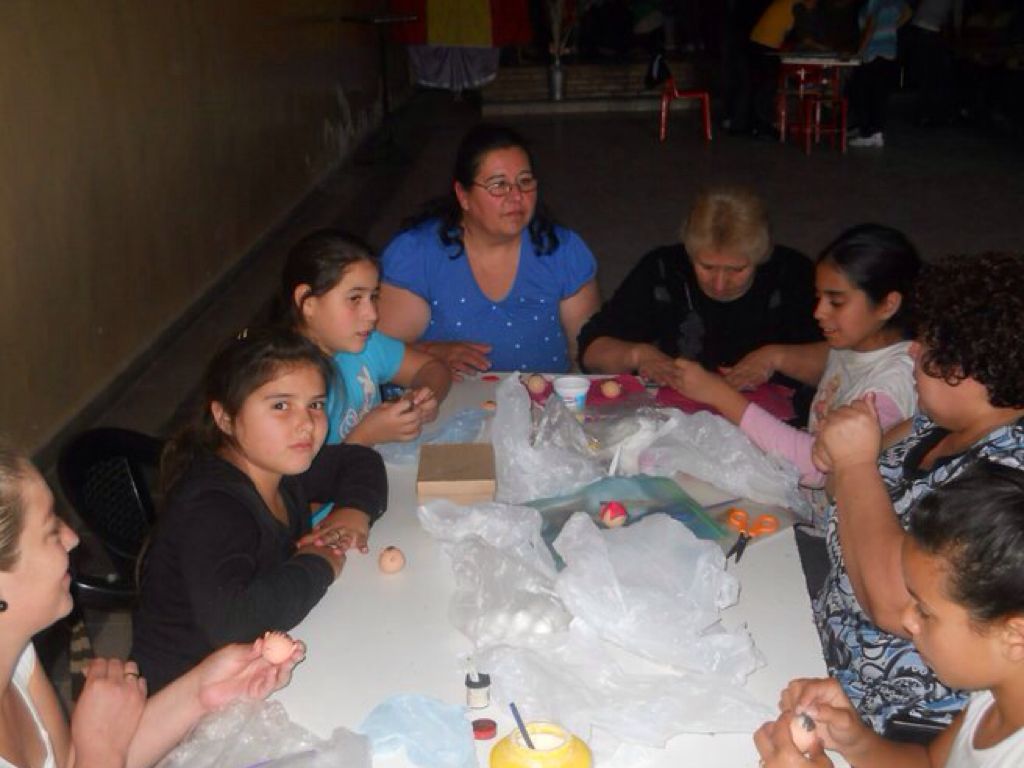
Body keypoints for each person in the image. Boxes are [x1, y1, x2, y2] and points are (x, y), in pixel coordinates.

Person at [809, 252, 1024, 731]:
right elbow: (842, 483)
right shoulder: (938, 419)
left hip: (894, 707)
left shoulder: (1007, 475)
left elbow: (897, 605)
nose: (910, 352)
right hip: (827, 630)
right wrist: (839, 455)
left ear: (971, 369)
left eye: (926, 348)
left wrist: (854, 463)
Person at [0, 440, 305, 768]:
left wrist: (202, 691)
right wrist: (100, 746)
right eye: (51, 531)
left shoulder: (17, 656)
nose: (72, 538)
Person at [132, 327, 388, 692]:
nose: (305, 423)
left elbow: (360, 462)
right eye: (281, 405)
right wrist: (318, 563)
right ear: (225, 418)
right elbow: (234, 622)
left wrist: (353, 511)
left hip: (249, 670)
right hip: (183, 697)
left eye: (315, 405)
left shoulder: (278, 464)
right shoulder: (213, 507)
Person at [754, 461, 1024, 767]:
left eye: (924, 611)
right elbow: (929, 763)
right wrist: (857, 742)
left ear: (1015, 636)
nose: (907, 620)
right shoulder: (996, 692)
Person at [668, 224, 920, 525]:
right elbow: (834, 362)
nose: (819, 312)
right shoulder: (862, 340)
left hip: (830, 525)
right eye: (819, 297)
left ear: (888, 305)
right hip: (803, 493)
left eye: (836, 302)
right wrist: (773, 357)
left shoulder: (888, 392)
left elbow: (816, 467)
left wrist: (720, 395)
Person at [577, 186, 822, 420]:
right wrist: (637, 354)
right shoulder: (662, 271)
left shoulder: (792, 274)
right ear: (689, 253)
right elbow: (591, 352)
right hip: (677, 421)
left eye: (737, 269)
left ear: (760, 256)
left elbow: (839, 361)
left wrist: (777, 358)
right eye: (706, 267)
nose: (720, 284)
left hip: (772, 424)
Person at [377, 123, 600, 378]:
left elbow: (587, 355)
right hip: (442, 399)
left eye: (525, 181)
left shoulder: (561, 252)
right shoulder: (418, 255)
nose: (516, 196)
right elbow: (374, 355)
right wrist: (430, 351)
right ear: (463, 196)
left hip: (542, 399)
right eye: (498, 185)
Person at [280, 228, 451, 447]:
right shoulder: (285, 383)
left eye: (373, 297)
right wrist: (365, 436)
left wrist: (422, 398)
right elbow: (304, 469)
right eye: (355, 298)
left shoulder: (366, 344)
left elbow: (431, 368)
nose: (372, 314)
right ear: (308, 302)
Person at [847, 0, 913, 148]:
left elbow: (870, 27)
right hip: (888, 50)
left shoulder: (874, 2)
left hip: (873, 52)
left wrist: (859, 52)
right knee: (879, 94)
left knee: (865, 94)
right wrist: (891, 28)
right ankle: (875, 132)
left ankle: (868, 132)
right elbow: (908, 12)